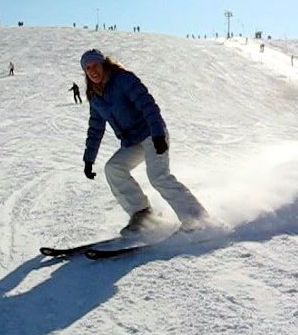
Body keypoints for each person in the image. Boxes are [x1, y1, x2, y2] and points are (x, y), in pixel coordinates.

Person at [80, 48, 208, 235]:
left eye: (95, 65)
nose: (93, 71)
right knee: (113, 168)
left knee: (158, 176)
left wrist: (158, 135)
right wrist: (89, 159)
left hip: (151, 133)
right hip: (132, 141)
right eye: (88, 68)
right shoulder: (94, 96)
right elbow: (95, 127)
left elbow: (147, 104)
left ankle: (197, 218)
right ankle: (142, 214)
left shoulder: (123, 79)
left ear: (104, 65)